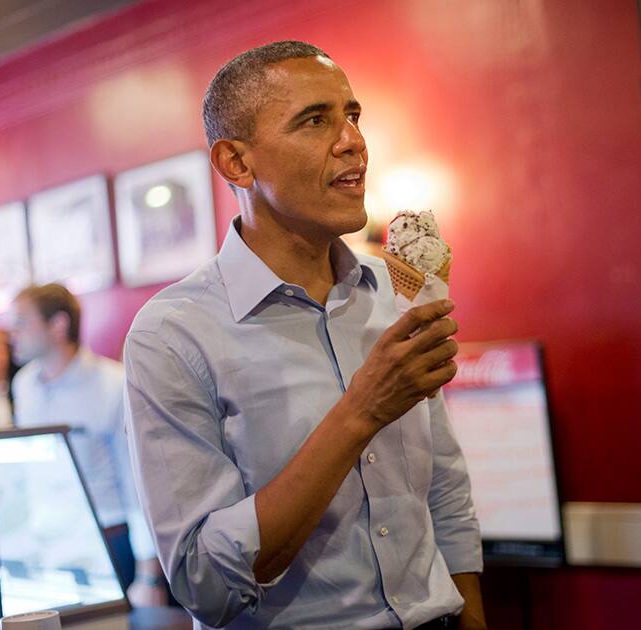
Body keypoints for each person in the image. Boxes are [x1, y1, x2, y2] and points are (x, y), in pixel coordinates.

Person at [124, 41, 487, 629]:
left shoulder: (394, 291)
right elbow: (204, 584)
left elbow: (443, 484)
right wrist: (361, 412)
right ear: (236, 164)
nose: (352, 140)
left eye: (353, 115)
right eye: (316, 120)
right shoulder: (172, 334)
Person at [9, 283, 167, 606]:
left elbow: (136, 479)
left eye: (23, 321)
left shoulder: (112, 383)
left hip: (106, 543)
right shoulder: (23, 385)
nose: (13, 332)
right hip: (45, 546)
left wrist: (149, 573)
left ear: (58, 325)